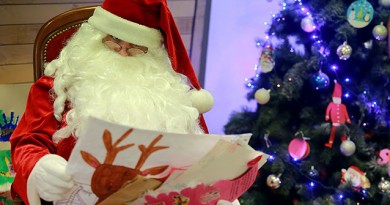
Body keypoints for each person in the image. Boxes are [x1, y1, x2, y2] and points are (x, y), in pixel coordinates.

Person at [10, 0, 239, 204]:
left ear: (153, 53)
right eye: (114, 41)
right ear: (94, 37)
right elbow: (28, 142)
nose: (122, 54)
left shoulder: (173, 94)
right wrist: (38, 166)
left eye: (135, 48)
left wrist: (220, 191)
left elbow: (202, 154)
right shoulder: (57, 85)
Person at [324, 80, 351, 148]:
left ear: (340, 99)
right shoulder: (331, 104)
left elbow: (345, 112)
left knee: (342, 134)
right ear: (333, 98)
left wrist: (348, 119)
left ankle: (345, 144)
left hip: (341, 123)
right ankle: (330, 143)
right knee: (332, 133)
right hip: (334, 123)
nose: (337, 99)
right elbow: (328, 110)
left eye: (338, 98)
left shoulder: (343, 106)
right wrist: (327, 116)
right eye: (335, 98)